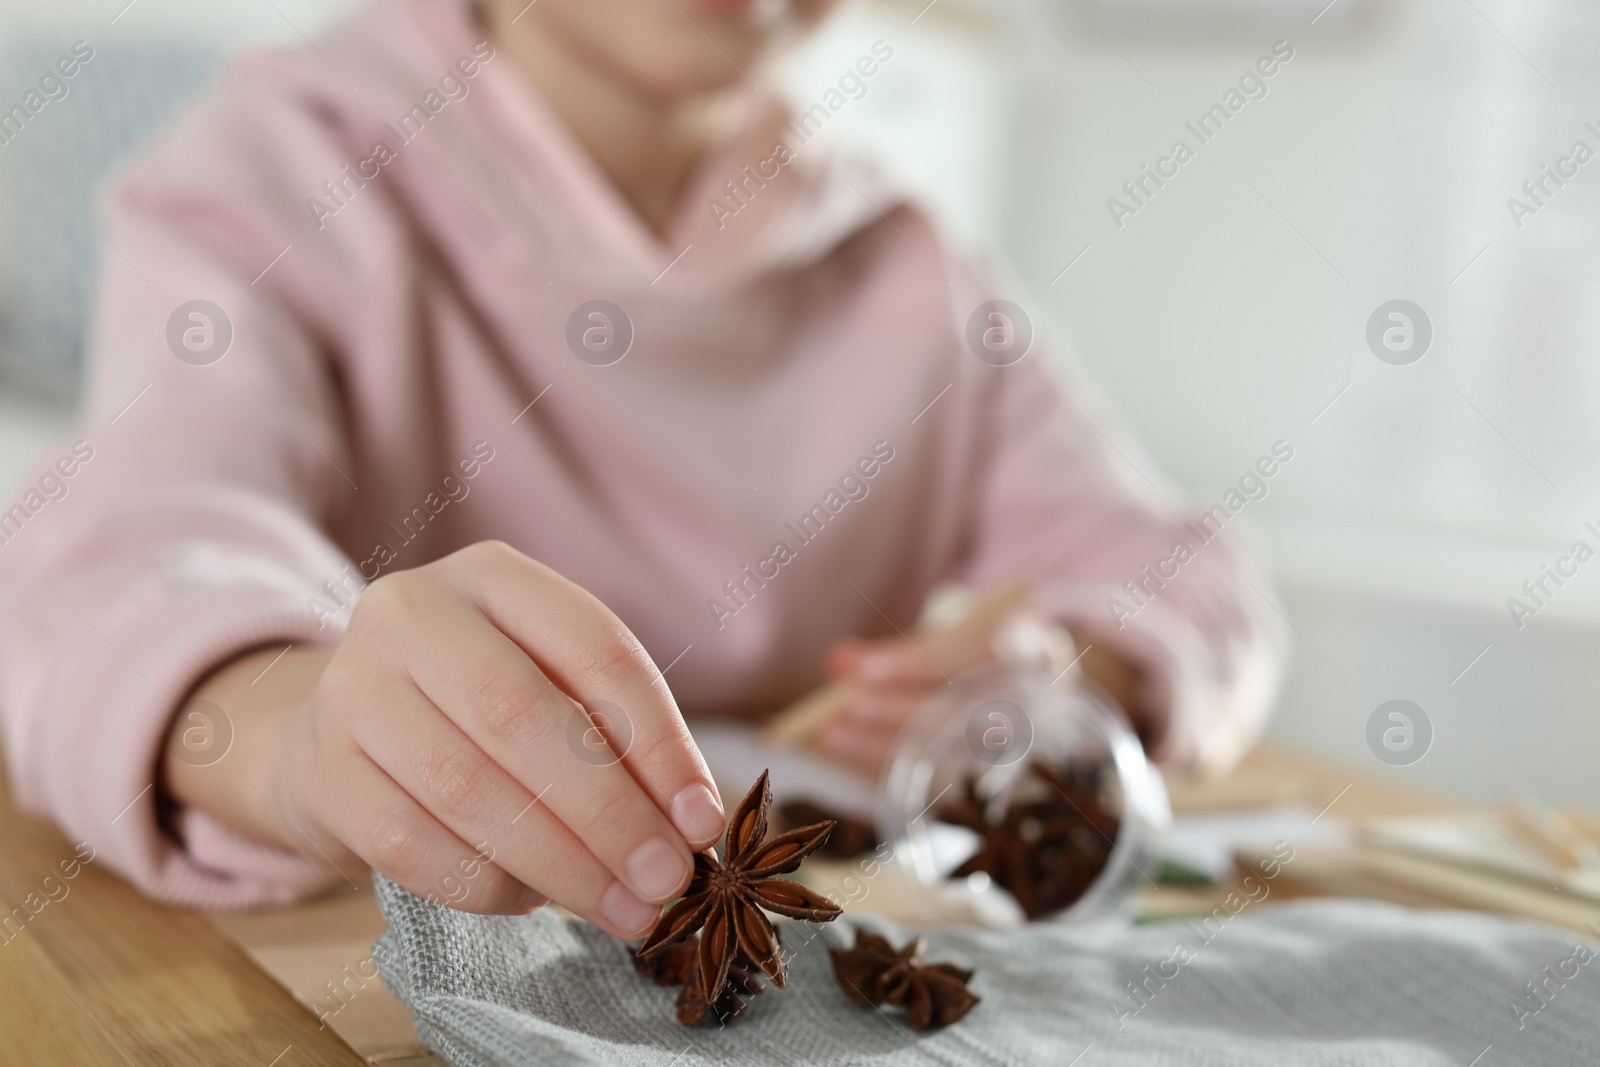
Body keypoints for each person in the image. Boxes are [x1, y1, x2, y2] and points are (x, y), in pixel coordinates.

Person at [0, 0, 1283, 938]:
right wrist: (299, 731)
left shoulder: (913, 271)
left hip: (803, 931)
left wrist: (1071, 662)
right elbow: (131, 549)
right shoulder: (274, 168)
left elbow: (1187, 567)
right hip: (352, 931)